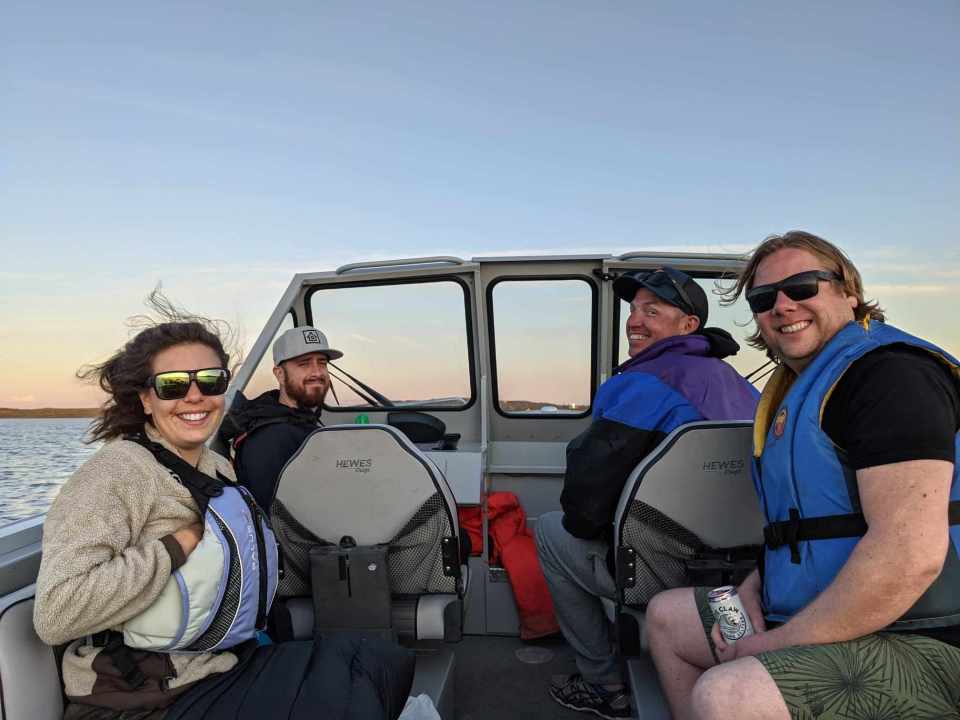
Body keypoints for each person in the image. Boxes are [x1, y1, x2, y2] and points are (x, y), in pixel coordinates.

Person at [33, 302, 413, 720]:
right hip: (144, 696)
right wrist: (178, 544)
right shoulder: (116, 474)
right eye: (173, 384)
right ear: (145, 399)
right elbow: (57, 611)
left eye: (211, 381)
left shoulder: (216, 466)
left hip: (221, 663)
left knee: (386, 660)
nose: (195, 396)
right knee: (354, 705)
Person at [645, 231, 960, 720]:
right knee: (667, 617)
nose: (783, 306)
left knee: (729, 694)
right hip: (813, 614)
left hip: (922, 637)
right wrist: (755, 587)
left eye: (804, 286)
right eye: (764, 298)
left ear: (848, 293)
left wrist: (774, 644)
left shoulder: (890, 376)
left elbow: (910, 556)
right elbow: (807, 529)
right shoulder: (803, 387)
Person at [535, 266, 760, 719]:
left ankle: (604, 684)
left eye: (651, 311)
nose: (633, 321)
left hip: (660, 572)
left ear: (688, 325)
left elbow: (584, 511)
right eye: (633, 309)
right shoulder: (743, 387)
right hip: (749, 575)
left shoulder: (640, 384)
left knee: (550, 532)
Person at [220, 326, 342, 510]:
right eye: (304, 363)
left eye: (322, 363)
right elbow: (275, 520)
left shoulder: (302, 420)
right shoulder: (270, 439)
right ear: (279, 374)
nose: (317, 372)